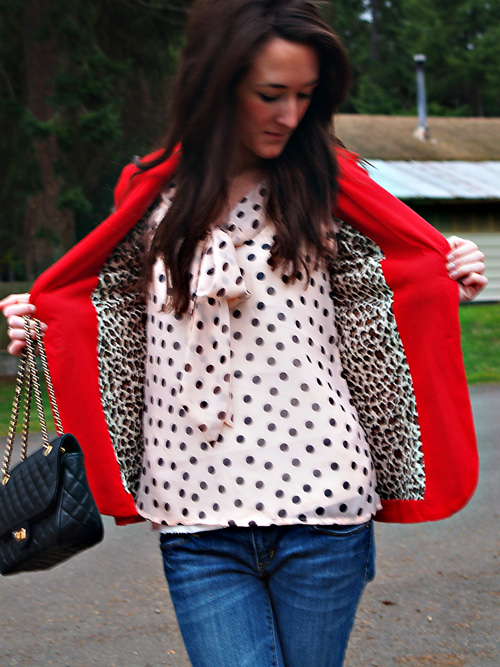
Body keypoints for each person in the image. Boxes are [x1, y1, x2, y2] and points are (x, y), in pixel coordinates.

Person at [0, 1, 488, 665]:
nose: (290, 114)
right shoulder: (149, 194)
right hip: (195, 513)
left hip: (323, 504)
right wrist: (41, 318)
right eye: (270, 94)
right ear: (217, 83)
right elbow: (108, 310)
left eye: (305, 95)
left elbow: (393, 280)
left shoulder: (330, 186)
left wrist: (450, 264)